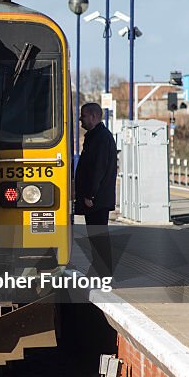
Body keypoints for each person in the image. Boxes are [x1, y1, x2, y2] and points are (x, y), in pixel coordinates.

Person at [75, 102, 117, 274]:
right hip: (97, 198)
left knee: (98, 234)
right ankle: (99, 267)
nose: (80, 119)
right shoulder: (97, 136)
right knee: (96, 234)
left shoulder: (100, 138)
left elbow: (97, 169)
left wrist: (90, 195)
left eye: (83, 115)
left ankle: (102, 270)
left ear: (93, 116)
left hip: (97, 199)